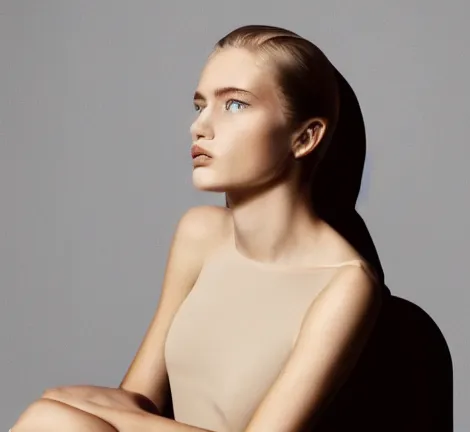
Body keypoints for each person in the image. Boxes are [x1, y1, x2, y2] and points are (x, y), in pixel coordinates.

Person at [11, 25, 389, 431]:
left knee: (52, 419)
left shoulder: (346, 284)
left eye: (236, 105)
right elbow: (140, 399)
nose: (200, 127)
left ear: (305, 137)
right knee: (54, 416)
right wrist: (84, 406)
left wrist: (86, 412)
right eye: (199, 105)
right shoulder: (201, 234)